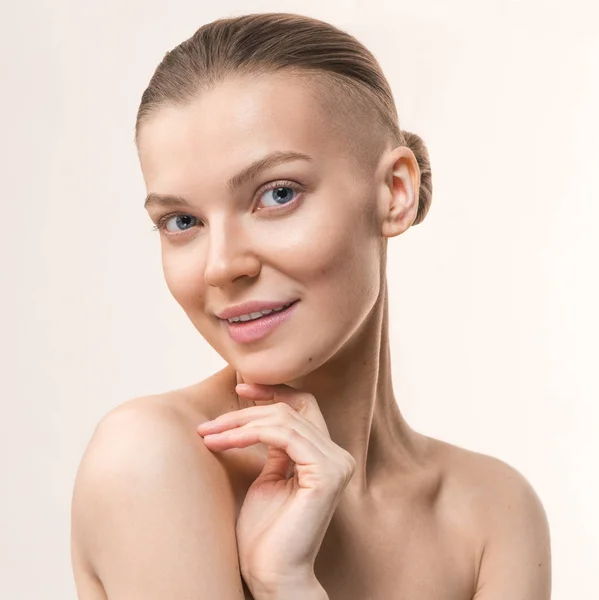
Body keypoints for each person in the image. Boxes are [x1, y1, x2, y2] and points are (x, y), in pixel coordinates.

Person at [70, 12, 551, 600]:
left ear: (394, 192)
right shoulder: (151, 459)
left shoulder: (493, 514)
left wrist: (287, 584)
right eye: (182, 221)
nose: (221, 265)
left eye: (277, 194)